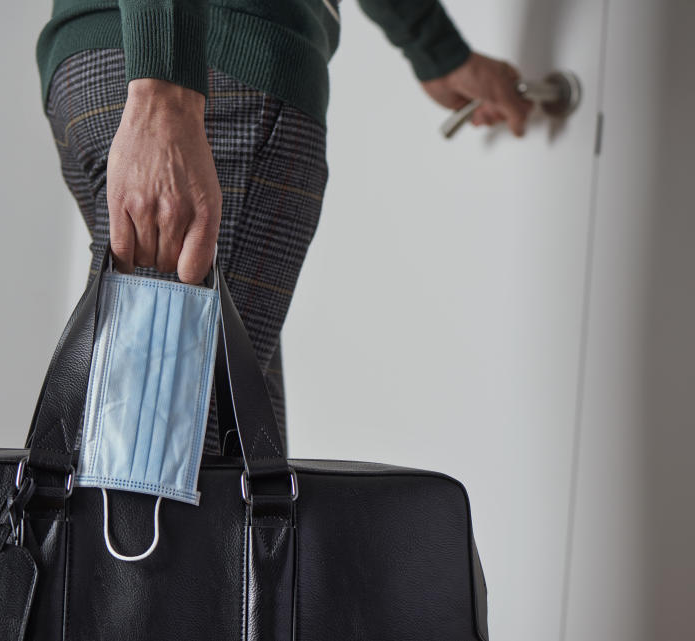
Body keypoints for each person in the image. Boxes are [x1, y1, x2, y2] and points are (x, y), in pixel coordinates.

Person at [36, 0, 532, 457]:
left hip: (108, 60)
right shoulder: (173, 86)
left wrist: (438, 50)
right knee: (157, 463)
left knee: (223, 454)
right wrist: (164, 90)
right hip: (210, 60)